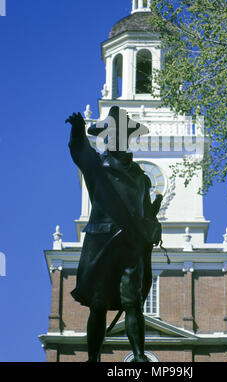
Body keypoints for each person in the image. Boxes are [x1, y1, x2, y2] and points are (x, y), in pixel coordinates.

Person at [65, 106, 162, 362]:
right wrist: (77, 132)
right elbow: (80, 152)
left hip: (131, 244)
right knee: (98, 305)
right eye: (113, 134)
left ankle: (139, 355)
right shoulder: (98, 166)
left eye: (123, 134)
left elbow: (146, 214)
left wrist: (152, 223)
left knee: (133, 301)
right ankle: (94, 357)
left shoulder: (141, 178)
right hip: (103, 242)